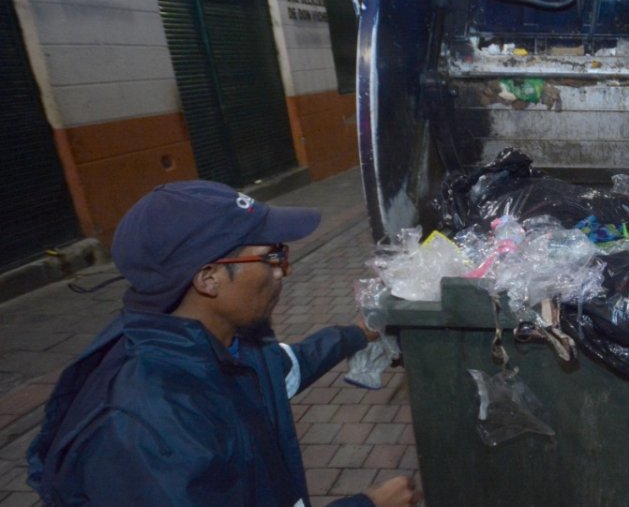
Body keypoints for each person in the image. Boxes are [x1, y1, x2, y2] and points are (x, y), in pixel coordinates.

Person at [26, 180, 420, 506]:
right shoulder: (148, 428)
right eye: (272, 256)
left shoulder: (220, 343)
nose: (285, 269)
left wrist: (358, 332)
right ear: (209, 278)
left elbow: (280, 369)